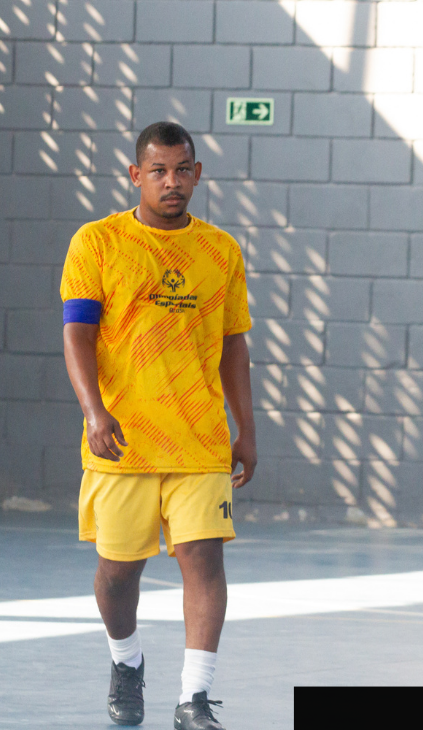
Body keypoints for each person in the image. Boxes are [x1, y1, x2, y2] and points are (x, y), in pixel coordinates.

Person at [60, 122, 256, 729]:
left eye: (182, 169)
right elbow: (78, 334)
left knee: (203, 559)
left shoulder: (220, 250)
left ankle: (194, 697)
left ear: (197, 173)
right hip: (124, 440)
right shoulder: (97, 242)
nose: (172, 182)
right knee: (118, 574)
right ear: (135, 176)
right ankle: (126, 661)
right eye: (159, 171)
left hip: (200, 439)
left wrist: (246, 428)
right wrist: (95, 410)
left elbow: (233, 346)